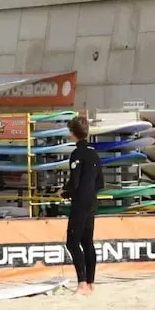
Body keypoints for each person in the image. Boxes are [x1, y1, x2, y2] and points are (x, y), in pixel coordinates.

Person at [61, 115, 104, 296]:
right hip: (92, 202)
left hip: (80, 203)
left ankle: (82, 283)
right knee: (87, 242)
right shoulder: (94, 153)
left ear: (73, 133)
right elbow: (100, 182)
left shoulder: (77, 153)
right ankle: (91, 283)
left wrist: (64, 192)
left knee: (72, 243)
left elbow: (75, 182)